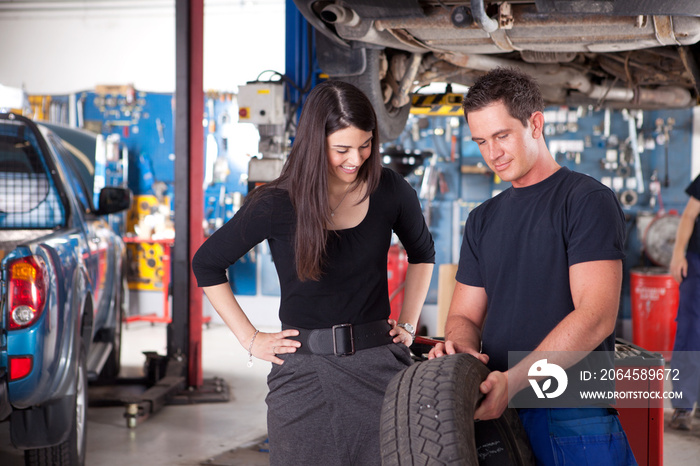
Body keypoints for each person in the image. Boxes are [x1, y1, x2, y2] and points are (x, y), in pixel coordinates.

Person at [192, 80, 435, 466]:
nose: (355, 159)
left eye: (365, 145)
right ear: (314, 143)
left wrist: (407, 325)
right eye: (342, 149)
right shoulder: (275, 203)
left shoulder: (389, 188)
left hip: (379, 368)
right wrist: (251, 339)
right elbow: (206, 264)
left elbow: (423, 253)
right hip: (302, 375)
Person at [428, 67, 636, 465]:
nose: (492, 153)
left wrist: (516, 382)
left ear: (535, 123)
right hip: (499, 409)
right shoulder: (482, 218)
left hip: (572, 411)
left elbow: (596, 316)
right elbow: (463, 316)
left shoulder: (586, 200)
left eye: (502, 135)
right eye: (481, 141)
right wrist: (466, 355)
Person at [668, 172, 700, 430]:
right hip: (697, 263)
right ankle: (683, 405)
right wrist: (678, 255)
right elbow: (689, 215)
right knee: (691, 333)